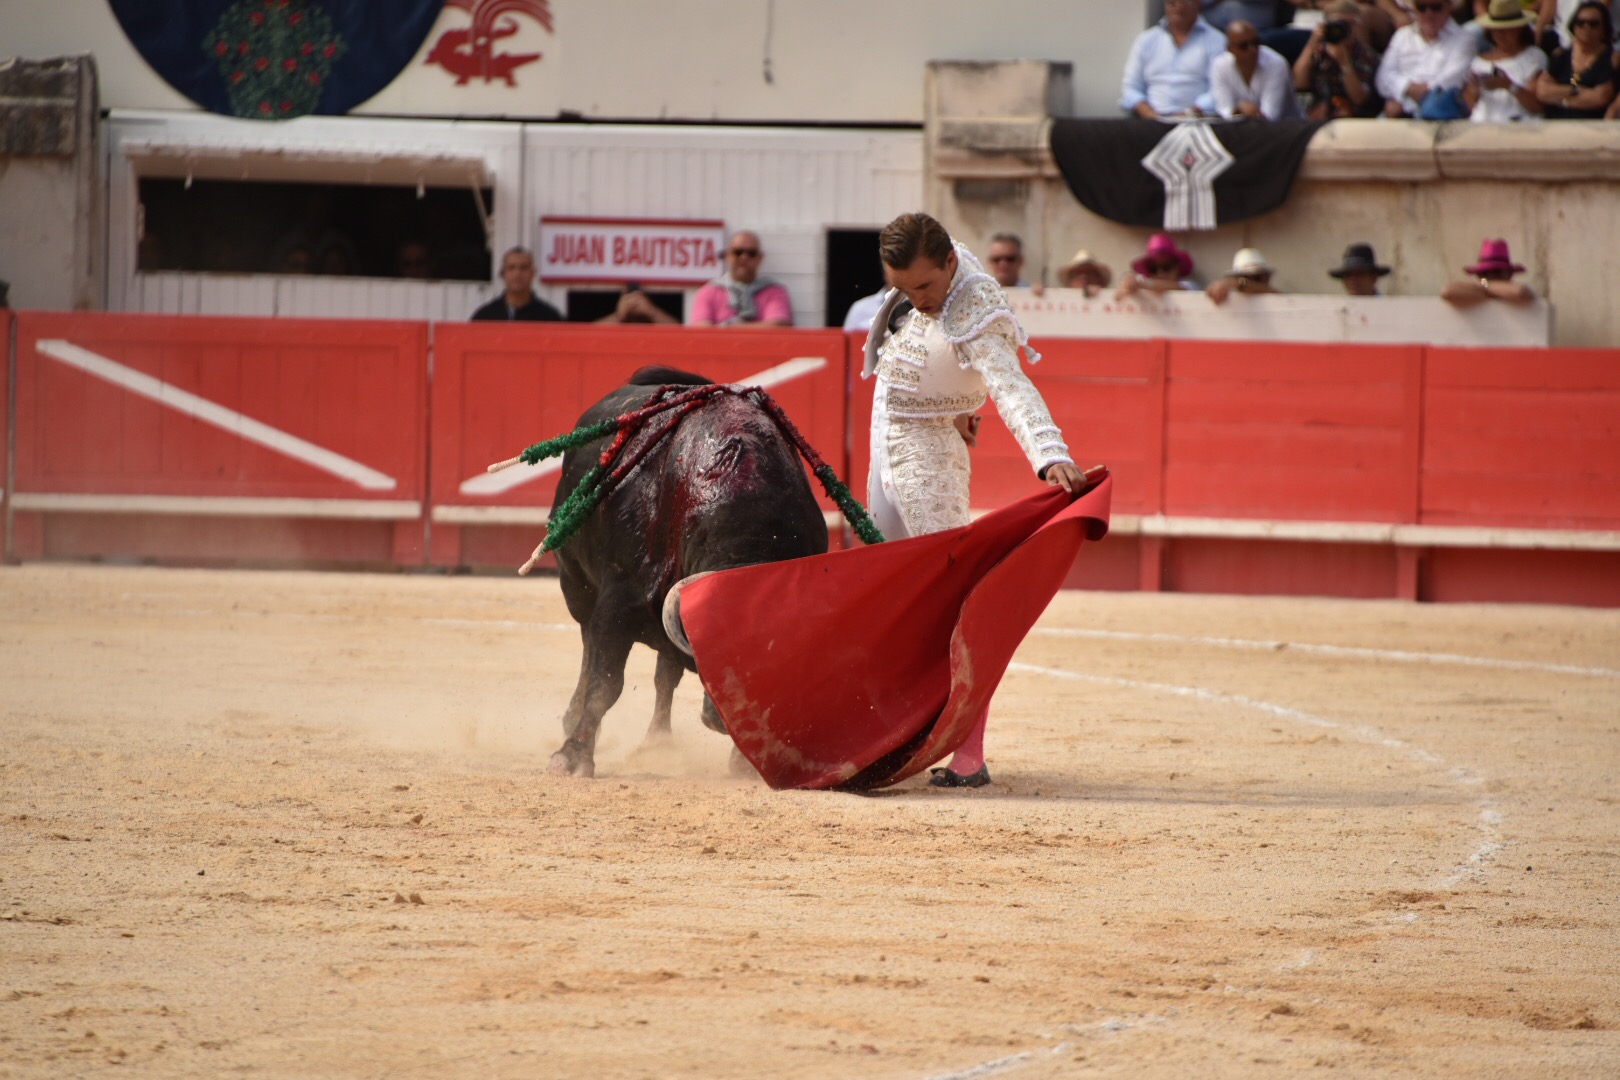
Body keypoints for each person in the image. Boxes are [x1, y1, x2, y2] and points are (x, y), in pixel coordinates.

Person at [862, 212, 1086, 789]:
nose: (917, 300)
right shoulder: (938, 257)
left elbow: (1011, 385)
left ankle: (968, 753)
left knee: (953, 603)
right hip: (884, 437)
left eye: (924, 286)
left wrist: (1049, 451)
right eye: (903, 288)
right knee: (893, 597)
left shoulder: (977, 310)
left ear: (950, 265)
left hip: (931, 455)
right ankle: (897, 729)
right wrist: (966, 403)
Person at [1120, 0, 1229, 119]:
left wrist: (1191, 111)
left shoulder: (1217, 41)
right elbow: (1131, 87)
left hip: (1197, 120)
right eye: (1172, 2)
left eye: (1185, 2)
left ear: (1198, 3)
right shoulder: (1146, 40)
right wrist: (1146, 111)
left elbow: (1220, 90)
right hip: (1150, 120)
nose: (1179, 7)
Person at [1375, 0, 1476, 117]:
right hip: (1395, 115)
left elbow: (1447, 85)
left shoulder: (1464, 40)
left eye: (1436, 7)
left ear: (1449, 7)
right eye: (1421, 7)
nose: (1429, 13)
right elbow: (1382, 79)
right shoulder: (1402, 36)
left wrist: (1405, 102)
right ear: (1414, 9)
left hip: (1439, 117)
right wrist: (1406, 87)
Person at [1295, 1, 1385, 118]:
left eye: (1348, 24)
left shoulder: (1367, 55)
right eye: (1337, 23)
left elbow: (1360, 99)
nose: (1342, 28)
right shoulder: (1318, 50)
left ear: (1357, 24)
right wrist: (1312, 43)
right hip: (1318, 115)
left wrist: (1343, 61)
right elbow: (1299, 83)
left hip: (1354, 117)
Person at [1462, 0, 1548, 121]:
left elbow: (1537, 106)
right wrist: (1473, 91)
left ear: (1518, 28)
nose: (1500, 34)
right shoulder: (1478, 62)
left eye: (1505, 29)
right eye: (1496, 29)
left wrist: (1509, 85)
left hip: (1519, 125)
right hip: (1483, 125)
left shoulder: (1533, 57)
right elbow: (1469, 105)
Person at [687, 230, 793, 327]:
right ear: (727, 255)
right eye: (738, 252)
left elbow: (778, 327)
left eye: (751, 253)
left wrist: (728, 328)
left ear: (760, 258)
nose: (744, 257)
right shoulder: (708, 292)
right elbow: (701, 329)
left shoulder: (774, 292)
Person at [1534, 2, 1617, 118]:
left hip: (1592, 124)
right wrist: (1575, 91)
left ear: (1604, 29)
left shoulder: (1612, 59)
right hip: (1555, 123)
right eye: (1580, 23)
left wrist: (1561, 99)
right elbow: (1542, 91)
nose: (1586, 27)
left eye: (1593, 24)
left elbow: (1600, 97)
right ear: (1573, 26)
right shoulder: (1561, 55)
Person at [1212, 19, 1307, 118]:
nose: (1252, 50)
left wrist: (1245, 113)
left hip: (1287, 126)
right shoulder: (1219, 65)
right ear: (1230, 48)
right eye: (1243, 46)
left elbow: (1271, 116)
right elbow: (1223, 109)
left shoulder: (1276, 64)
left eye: (1256, 43)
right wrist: (1238, 111)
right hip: (1241, 126)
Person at [470, 246, 563, 321]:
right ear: (503, 273)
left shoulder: (550, 318)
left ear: (533, 273)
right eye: (511, 268)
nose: (517, 273)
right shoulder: (485, 317)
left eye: (524, 268)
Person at [1440, 238, 1536, 304]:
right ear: (1478, 275)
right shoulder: (1476, 290)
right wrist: (1485, 287)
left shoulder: (1519, 292)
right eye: (1484, 273)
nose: (1491, 276)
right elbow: (1447, 291)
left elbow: (1520, 292)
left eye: (1497, 272)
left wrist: (1487, 286)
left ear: (1509, 274)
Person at [1115, 233, 1199, 300]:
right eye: (1153, 269)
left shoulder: (1189, 285)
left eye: (1166, 267)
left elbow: (1178, 288)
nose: (1160, 273)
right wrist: (1128, 282)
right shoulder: (1144, 286)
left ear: (1178, 267)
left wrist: (1141, 283)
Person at [1205, 247, 1282, 304]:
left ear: (1267, 277)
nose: (1253, 284)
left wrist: (1241, 282)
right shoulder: (1232, 297)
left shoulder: (1276, 296)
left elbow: (1278, 295)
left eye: (1257, 278)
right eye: (1247, 277)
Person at [1327, 242, 1392, 295]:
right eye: (1348, 275)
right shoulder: (1338, 306)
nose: (1352, 279)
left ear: (1374, 277)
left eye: (1359, 273)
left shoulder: (1388, 306)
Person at [595, 283, 678, 324]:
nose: (634, 300)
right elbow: (590, 336)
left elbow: (679, 333)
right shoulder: (619, 317)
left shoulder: (651, 313)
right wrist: (618, 316)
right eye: (628, 296)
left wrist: (651, 312)